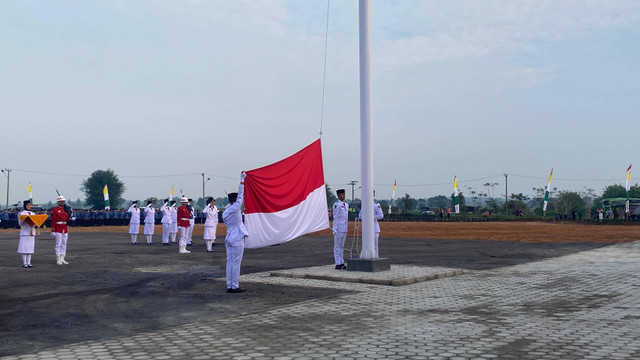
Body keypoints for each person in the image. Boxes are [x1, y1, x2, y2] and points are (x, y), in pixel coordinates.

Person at [223, 173, 249, 293]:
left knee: (230, 262)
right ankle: (235, 285)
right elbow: (241, 195)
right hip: (237, 237)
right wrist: (242, 180)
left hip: (229, 236)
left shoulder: (226, 211)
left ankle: (230, 285)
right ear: (235, 200)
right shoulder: (235, 208)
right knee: (236, 263)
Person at [51, 195, 71, 265]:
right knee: (58, 244)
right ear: (58, 202)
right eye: (61, 201)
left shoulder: (65, 209)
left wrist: (69, 212)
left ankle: (62, 258)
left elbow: (67, 219)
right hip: (58, 228)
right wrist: (53, 230)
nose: (62, 203)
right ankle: (58, 258)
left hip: (64, 228)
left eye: (63, 201)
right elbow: (53, 220)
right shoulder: (55, 209)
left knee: (64, 244)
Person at [332, 189, 349, 270]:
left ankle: (342, 262)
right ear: (338, 196)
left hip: (344, 228)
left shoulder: (346, 205)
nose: (343, 196)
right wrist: (334, 228)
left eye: (344, 194)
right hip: (338, 228)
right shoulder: (337, 205)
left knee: (342, 246)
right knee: (337, 246)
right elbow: (335, 217)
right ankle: (337, 263)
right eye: (341, 195)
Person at [18, 201, 37, 268]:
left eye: (30, 205)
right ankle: (24, 263)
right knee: (24, 248)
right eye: (28, 205)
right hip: (25, 232)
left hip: (31, 232)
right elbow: (20, 224)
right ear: (25, 206)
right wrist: (23, 220)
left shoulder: (33, 214)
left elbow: (35, 224)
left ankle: (29, 262)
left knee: (30, 248)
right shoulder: (21, 213)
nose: (29, 206)